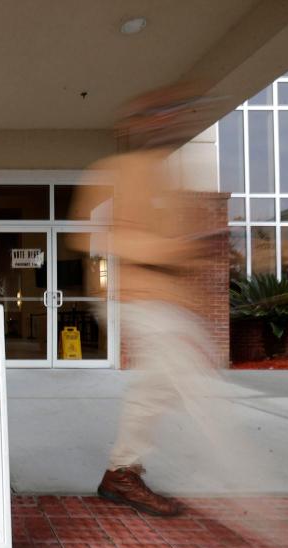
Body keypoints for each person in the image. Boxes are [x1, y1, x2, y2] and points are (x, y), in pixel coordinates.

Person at [75, 84, 227, 517]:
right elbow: (97, 234)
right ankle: (124, 472)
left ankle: (125, 471)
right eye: (157, 113)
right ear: (136, 123)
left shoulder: (172, 176)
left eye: (173, 113)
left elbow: (186, 247)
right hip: (139, 298)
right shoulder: (117, 170)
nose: (167, 120)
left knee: (170, 388)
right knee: (167, 386)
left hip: (172, 304)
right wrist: (180, 248)